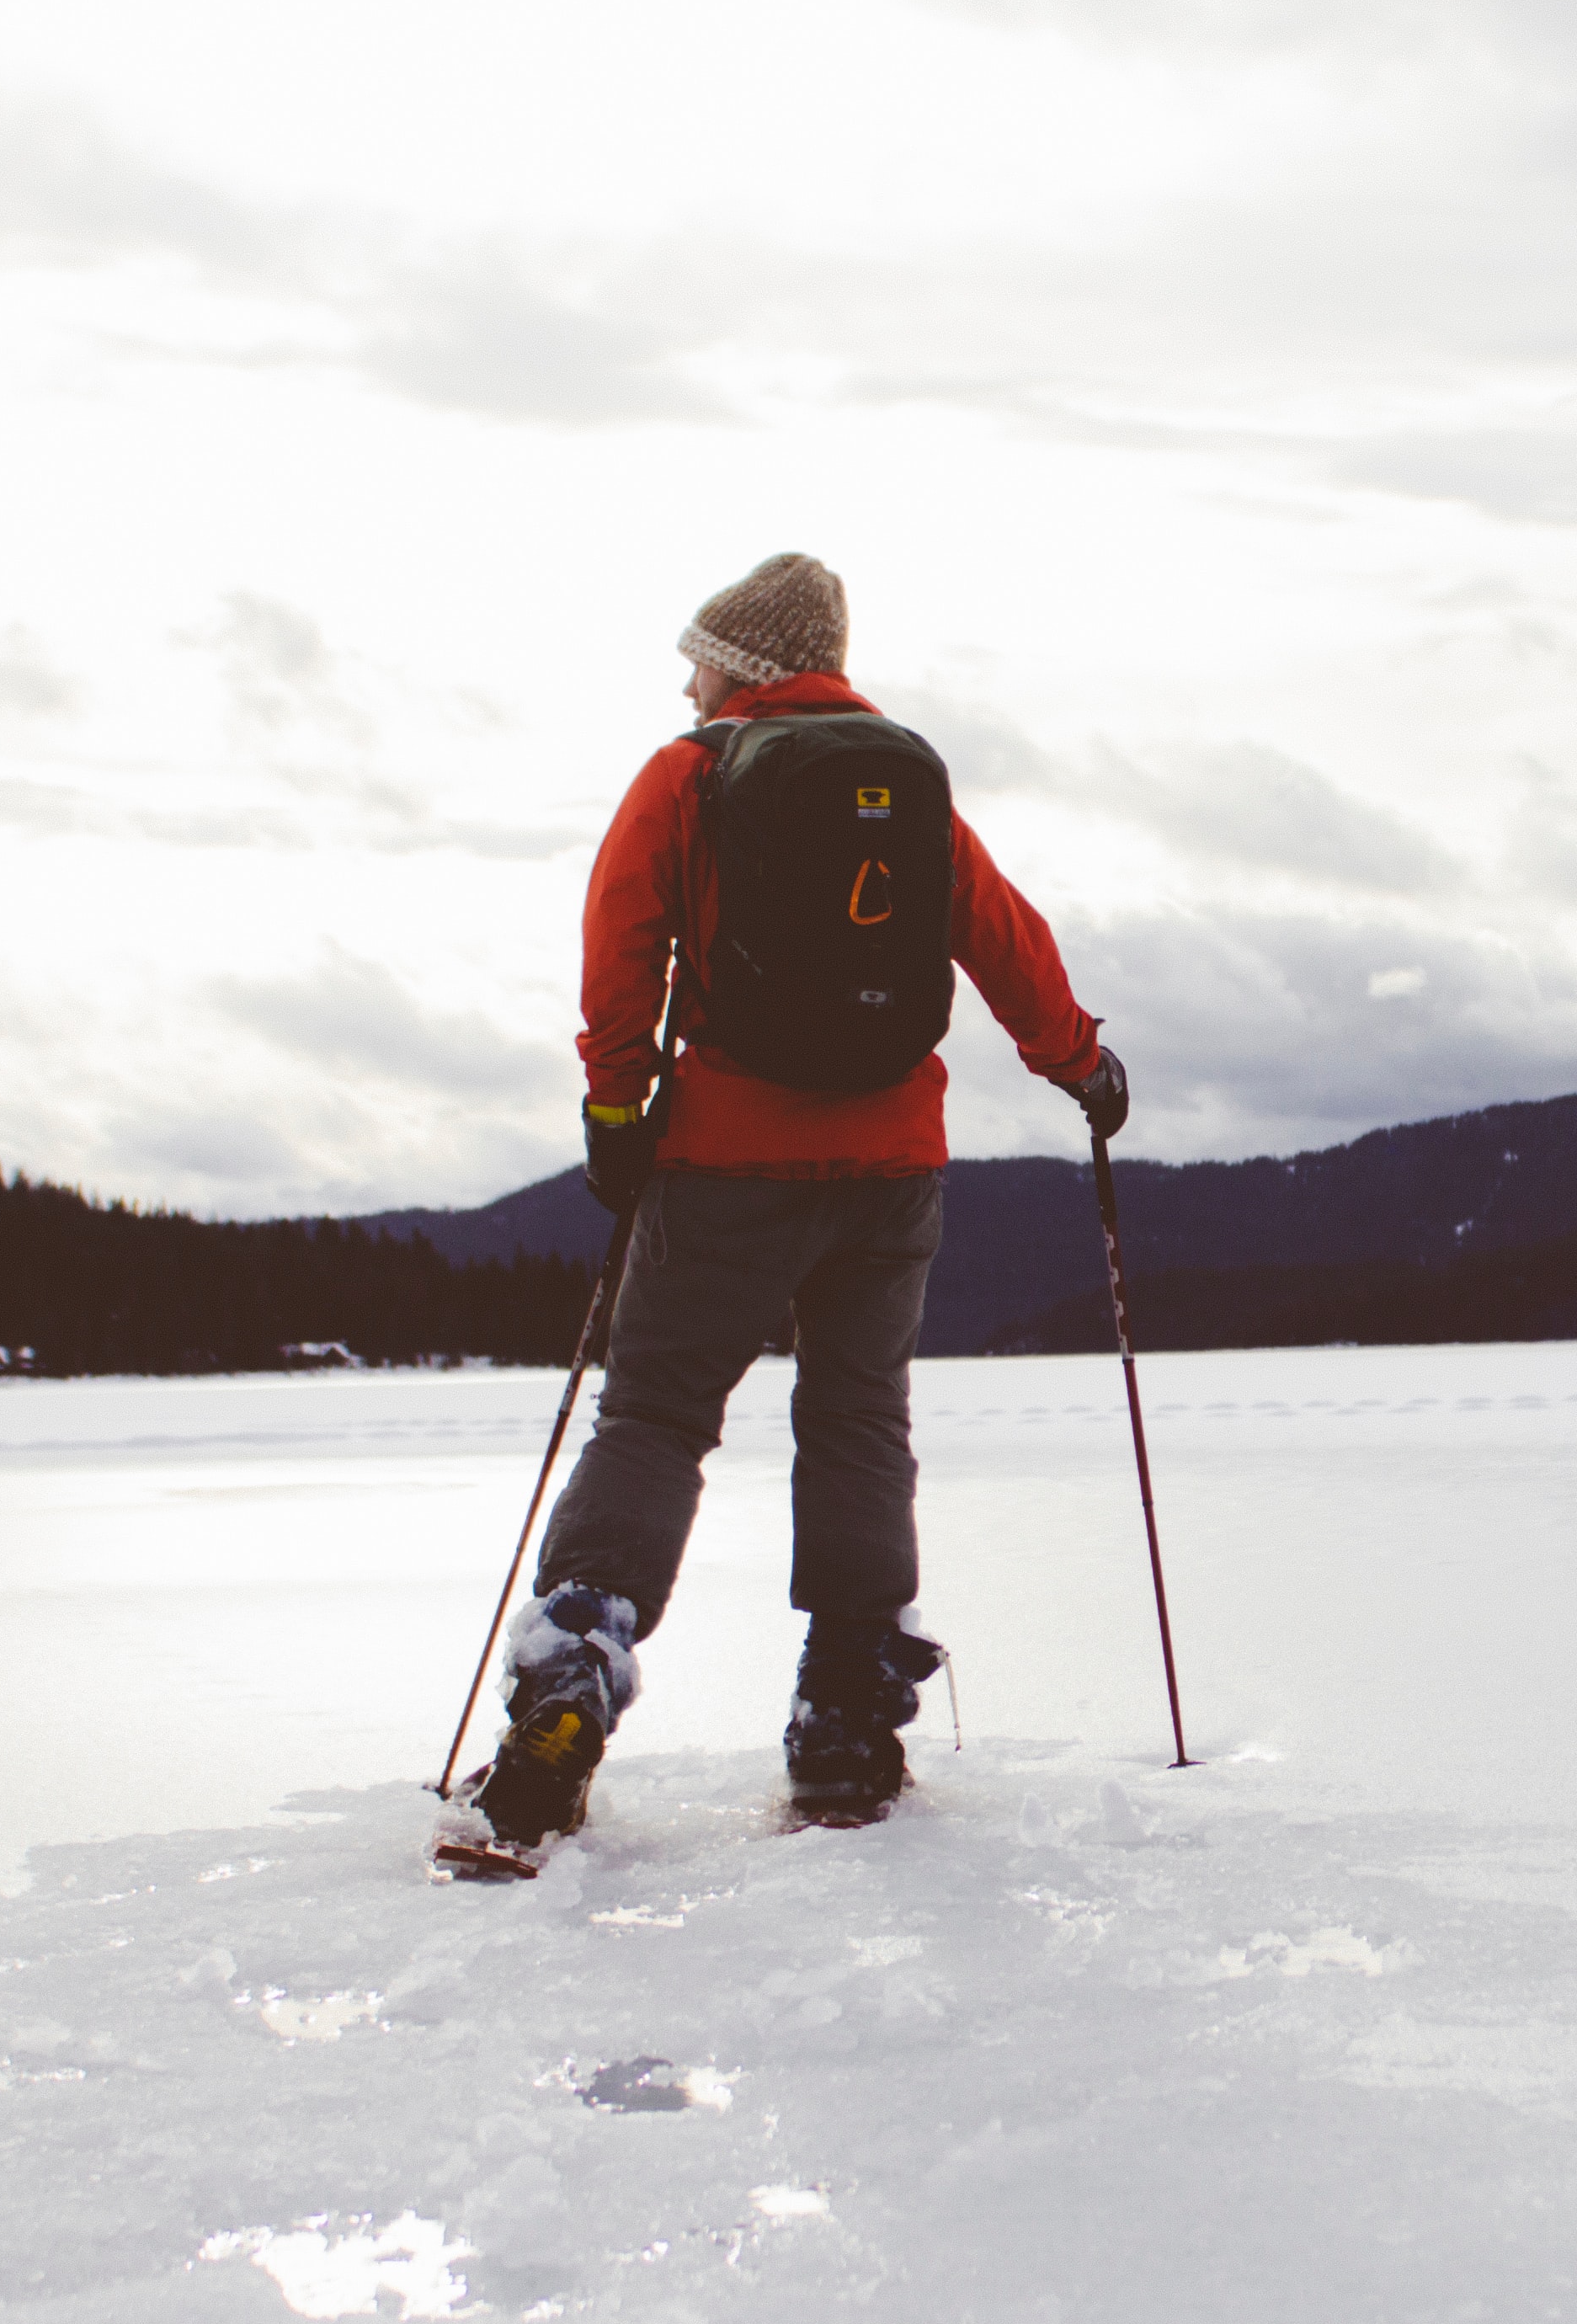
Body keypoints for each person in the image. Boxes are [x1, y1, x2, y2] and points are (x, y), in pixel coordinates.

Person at [466, 551, 1126, 1842]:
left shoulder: (692, 774)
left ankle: (576, 1671)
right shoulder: (909, 787)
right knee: (860, 1418)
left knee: (656, 1412)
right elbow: (1001, 935)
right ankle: (846, 1716)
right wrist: (1079, 1063)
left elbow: (622, 942)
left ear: (746, 666)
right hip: (892, 1168)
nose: (686, 678)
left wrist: (616, 1110)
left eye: (699, 658)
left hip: (728, 1160)